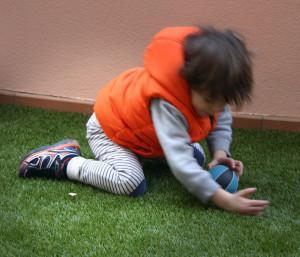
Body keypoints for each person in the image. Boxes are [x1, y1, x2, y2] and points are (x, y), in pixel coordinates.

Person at [19, 26, 269, 215]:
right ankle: (66, 161)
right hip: (110, 131)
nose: (216, 108)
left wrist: (220, 152)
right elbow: (181, 164)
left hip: (143, 135)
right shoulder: (167, 102)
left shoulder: (213, 91)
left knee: (198, 157)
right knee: (130, 183)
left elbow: (221, 119)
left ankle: (137, 155)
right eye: (210, 100)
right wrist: (222, 199)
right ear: (188, 81)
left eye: (223, 102)